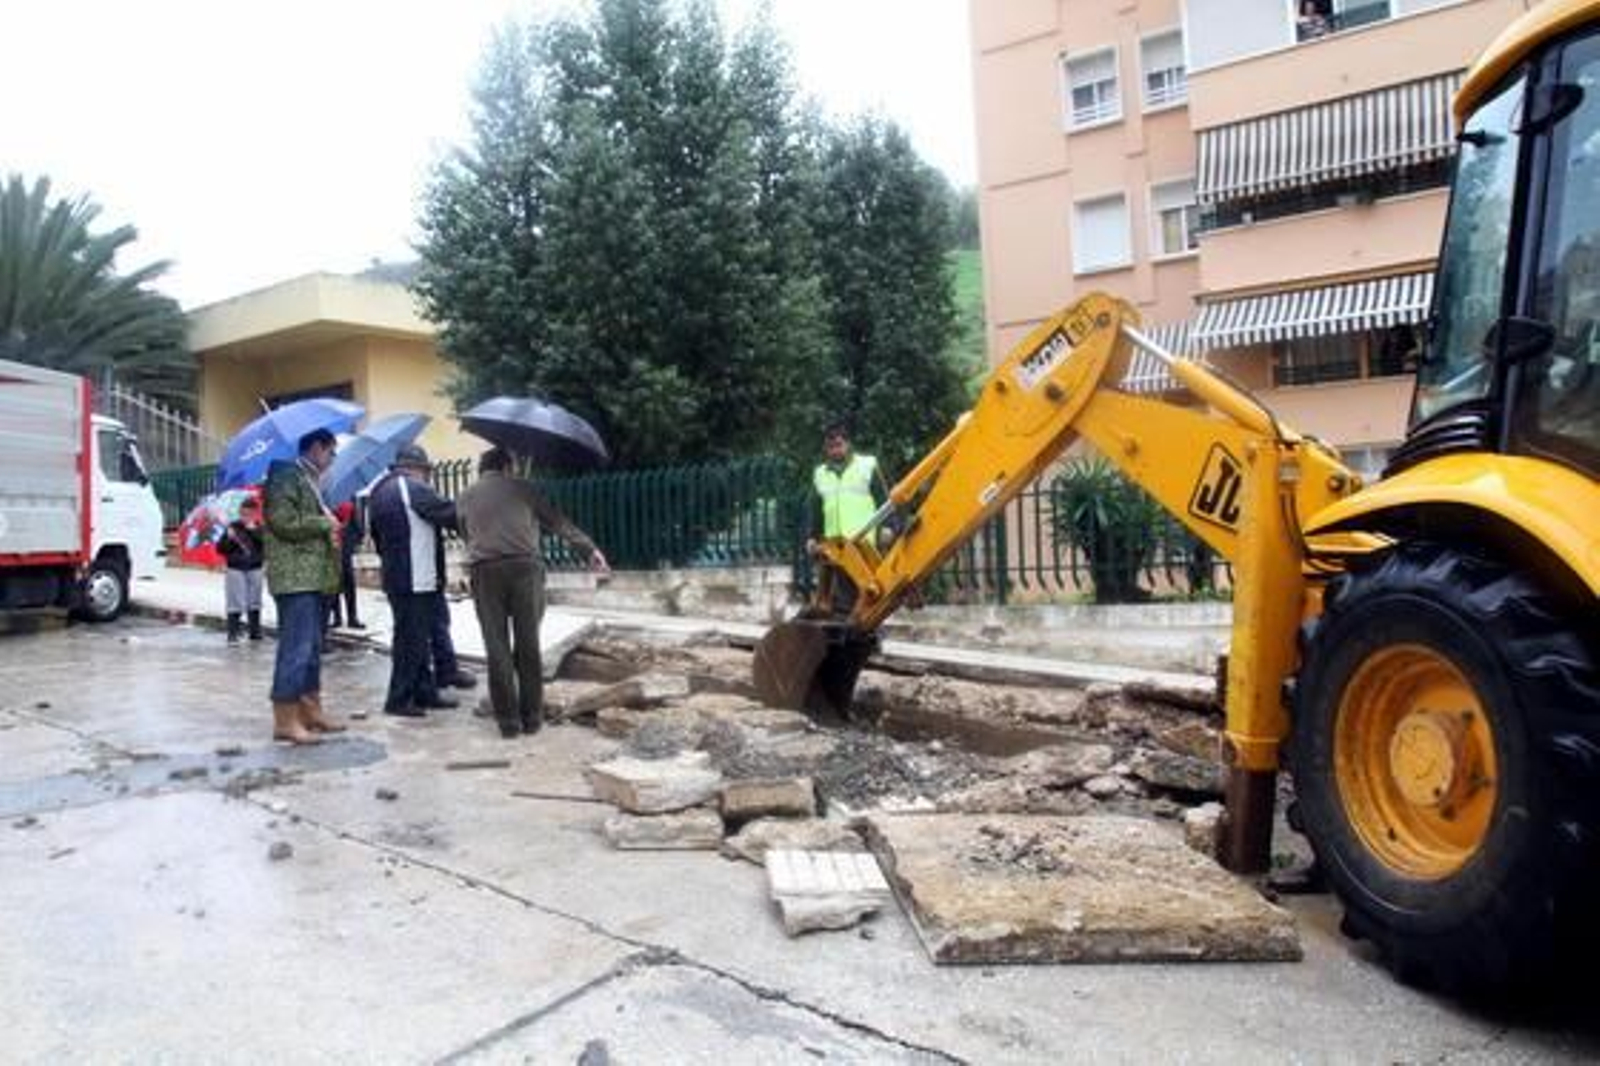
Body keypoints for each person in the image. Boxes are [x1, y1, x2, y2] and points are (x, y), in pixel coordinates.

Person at [457, 448, 609, 739]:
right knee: (528, 643)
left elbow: (466, 533)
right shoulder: (524, 488)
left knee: (496, 646)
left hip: (485, 571)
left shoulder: (465, 495)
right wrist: (589, 549)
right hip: (525, 569)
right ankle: (532, 718)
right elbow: (557, 522)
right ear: (506, 466)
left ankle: (508, 723)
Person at [262, 428, 347, 744]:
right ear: (315, 447)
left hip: (312, 577)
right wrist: (324, 523)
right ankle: (285, 719)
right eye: (330, 452)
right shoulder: (285, 476)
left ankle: (311, 709)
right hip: (295, 578)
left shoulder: (309, 479)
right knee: (296, 648)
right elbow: (283, 522)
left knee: (311, 648)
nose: (332, 459)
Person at [367, 444, 460, 717]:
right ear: (416, 468)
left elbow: (375, 535)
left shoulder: (380, 491)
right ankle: (398, 699)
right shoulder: (411, 488)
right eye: (426, 471)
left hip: (400, 576)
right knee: (410, 641)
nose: (428, 477)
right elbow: (451, 514)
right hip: (415, 576)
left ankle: (424, 692)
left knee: (416, 639)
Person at [805, 421, 892, 615]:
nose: (835, 450)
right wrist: (812, 537)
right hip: (835, 544)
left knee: (866, 587)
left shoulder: (867, 465)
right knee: (842, 593)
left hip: (863, 540)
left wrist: (886, 526)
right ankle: (849, 629)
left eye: (838, 445)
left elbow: (884, 499)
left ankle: (862, 627)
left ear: (847, 444)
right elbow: (815, 509)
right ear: (825, 448)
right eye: (831, 446)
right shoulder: (820, 474)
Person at [217, 496, 265, 644]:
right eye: (243, 514)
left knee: (254, 600)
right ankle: (233, 633)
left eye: (249, 514)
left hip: (255, 567)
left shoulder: (260, 528)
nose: (246, 517)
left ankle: (254, 632)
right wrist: (228, 539)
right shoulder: (233, 527)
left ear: (256, 513)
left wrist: (253, 532)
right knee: (235, 601)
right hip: (235, 568)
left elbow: (266, 546)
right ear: (239, 512)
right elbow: (220, 549)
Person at [325, 500, 365, 631]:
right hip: (335, 541)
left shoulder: (351, 501)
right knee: (336, 581)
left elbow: (357, 522)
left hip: (345, 543)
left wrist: (358, 537)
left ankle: (350, 617)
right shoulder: (330, 501)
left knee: (347, 581)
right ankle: (338, 616)